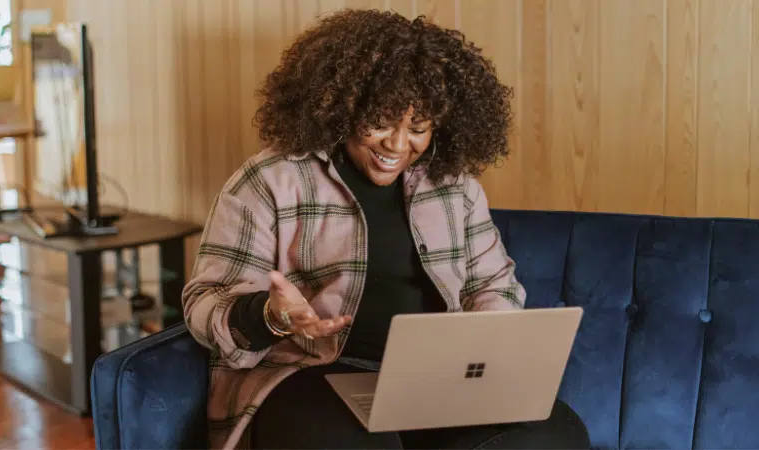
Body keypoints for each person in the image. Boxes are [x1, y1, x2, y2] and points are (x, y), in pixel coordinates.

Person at [182, 8, 590, 450]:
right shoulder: (271, 181)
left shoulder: (457, 189)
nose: (397, 145)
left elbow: (493, 285)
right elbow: (204, 303)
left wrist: (484, 346)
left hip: (434, 382)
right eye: (379, 122)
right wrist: (270, 315)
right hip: (309, 375)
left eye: (418, 128)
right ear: (343, 107)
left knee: (556, 432)